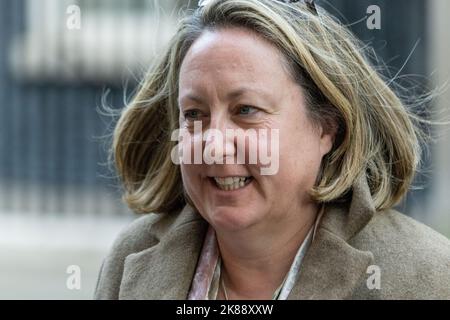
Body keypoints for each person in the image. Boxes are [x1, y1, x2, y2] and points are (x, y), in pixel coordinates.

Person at [94, 0, 450, 299]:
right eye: (194, 114)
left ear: (327, 126)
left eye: (246, 110)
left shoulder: (425, 276)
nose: (214, 146)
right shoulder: (132, 256)